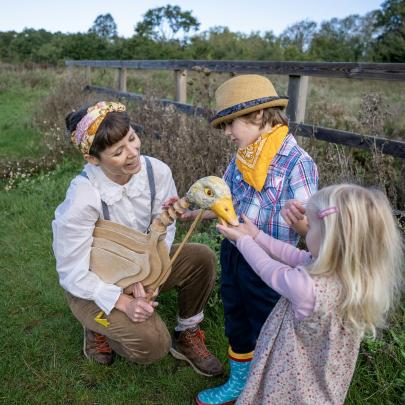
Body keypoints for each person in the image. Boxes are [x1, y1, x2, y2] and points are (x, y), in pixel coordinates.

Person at [52, 101, 223, 376]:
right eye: (118, 151)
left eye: (132, 138)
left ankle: (187, 331)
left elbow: (164, 227)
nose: (133, 154)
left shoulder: (158, 172)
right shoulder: (82, 198)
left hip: (141, 264)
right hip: (95, 281)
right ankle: (97, 327)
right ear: (93, 159)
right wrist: (123, 302)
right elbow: (71, 272)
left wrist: (152, 274)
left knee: (201, 257)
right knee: (153, 345)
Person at [191, 74, 319, 405]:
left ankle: (270, 390)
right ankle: (239, 384)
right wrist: (194, 213)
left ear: (259, 116)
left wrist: (302, 223)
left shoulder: (297, 163)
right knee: (237, 320)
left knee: (268, 327)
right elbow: (226, 203)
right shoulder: (242, 159)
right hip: (235, 253)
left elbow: (313, 234)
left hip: (271, 264)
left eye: (230, 123)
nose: (228, 133)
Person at [215, 184, 403, 405]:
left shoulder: (308, 287)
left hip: (290, 377)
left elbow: (268, 269)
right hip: (324, 377)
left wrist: (242, 240)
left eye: (310, 227)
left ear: (330, 239)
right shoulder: (355, 278)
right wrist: (257, 235)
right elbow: (293, 255)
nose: (305, 231)